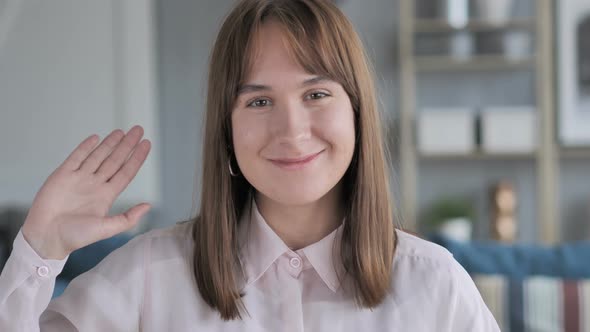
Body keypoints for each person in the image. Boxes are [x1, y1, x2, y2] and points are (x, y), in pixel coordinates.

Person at [0, 0, 500, 330]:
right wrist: (39, 248)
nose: (292, 129)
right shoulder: (149, 275)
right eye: (258, 102)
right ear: (227, 128)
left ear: (357, 112)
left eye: (317, 93)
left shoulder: (436, 285)